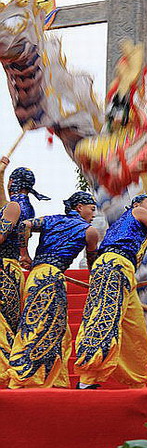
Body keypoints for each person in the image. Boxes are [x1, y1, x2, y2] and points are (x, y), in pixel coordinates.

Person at [74, 193, 147, 389]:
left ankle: (136, 380)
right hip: (115, 266)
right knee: (104, 320)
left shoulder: (125, 224)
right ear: (137, 204)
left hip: (124, 273)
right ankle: (87, 379)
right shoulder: (137, 212)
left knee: (136, 329)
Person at [7, 191, 98, 388]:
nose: (93, 213)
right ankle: (28, 377)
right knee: (44, 327)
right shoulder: (88, 230)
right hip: (52, 278)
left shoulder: (52, 220)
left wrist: (25, 255)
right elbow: (93, 263)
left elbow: (25, 224)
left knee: (50, 327)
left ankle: (51, 378)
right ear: (79, 207)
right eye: (92, 209)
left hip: (36, 275)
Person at [0, 157, 50, 385]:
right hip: (12, 269)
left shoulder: (14, 206)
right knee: (8, 320)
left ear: (14, 183)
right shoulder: (22, 204)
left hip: (4, 268)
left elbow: (1, 235)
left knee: (4, 321)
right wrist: (1, 173)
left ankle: (7, 369)